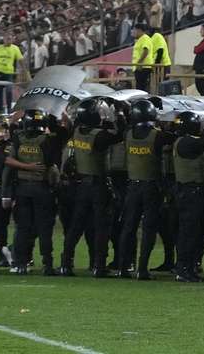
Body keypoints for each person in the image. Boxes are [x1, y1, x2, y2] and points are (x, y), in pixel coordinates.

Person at [59, 99, 124, 278]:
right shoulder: (99, 136)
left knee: (76, 226)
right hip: (99, 185)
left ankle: (66, 263)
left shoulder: (77, 132)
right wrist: (117, 114)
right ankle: (99, 265)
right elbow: (119, 135)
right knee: (101, 226)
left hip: (82, 186)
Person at [5, 109, 69, 275]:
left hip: (22, 189)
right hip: (43, 189)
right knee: (44, 228)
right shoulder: (48, 141)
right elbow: (65, 131)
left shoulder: (18, 138)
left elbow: (12, 129)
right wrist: (60, 114)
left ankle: (20, 264)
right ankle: (47, 265)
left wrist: (16, 116)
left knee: (23, 228)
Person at [117, 100, 175, 280]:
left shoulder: (128, 134)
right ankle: (142, 268)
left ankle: (123, 267)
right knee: (149, 229)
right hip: (151, 187)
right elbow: (175, 136)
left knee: (128, 227)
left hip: (132, 186)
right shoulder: (156, 136)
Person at [171, 111, 204, 283]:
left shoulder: (184, 141)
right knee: (188, 232)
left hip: (193, 192)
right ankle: (183, 268)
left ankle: (189, 267)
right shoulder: (186, 143)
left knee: (195, 233)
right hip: (190, 193)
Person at [0, 34, 23, 114]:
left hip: (8, 73)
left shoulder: (15, 48)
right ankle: (0, 109)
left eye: (10, 39)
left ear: (12, 40)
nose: (9, 40)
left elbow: (21, 59)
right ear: (4, 39)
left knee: (9, 91)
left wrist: (24, 69)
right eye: (7, 39)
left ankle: (9, 108)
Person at [131, 24, 154, 92]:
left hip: (143, 67)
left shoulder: (145, 38)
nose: (133, 32)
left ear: (139, 30)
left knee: (141, 87)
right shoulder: (140, 39)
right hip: (140, 66)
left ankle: (142, 100)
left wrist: (139, 63)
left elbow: (146, 51)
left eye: (135, 30)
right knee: (139, 86)